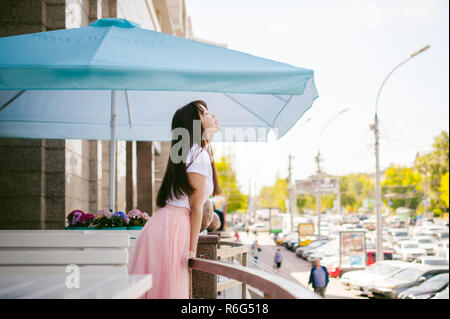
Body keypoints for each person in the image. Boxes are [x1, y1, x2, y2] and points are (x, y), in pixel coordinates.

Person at [128, 100, 221, 299]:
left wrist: (208, 137)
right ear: (196, 123)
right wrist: (192, 250)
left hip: (162, 224)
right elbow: (196, 207)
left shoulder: (187, 152)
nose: (212, 115)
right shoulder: (198, 154)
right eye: (205, 113)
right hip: (174, 229)